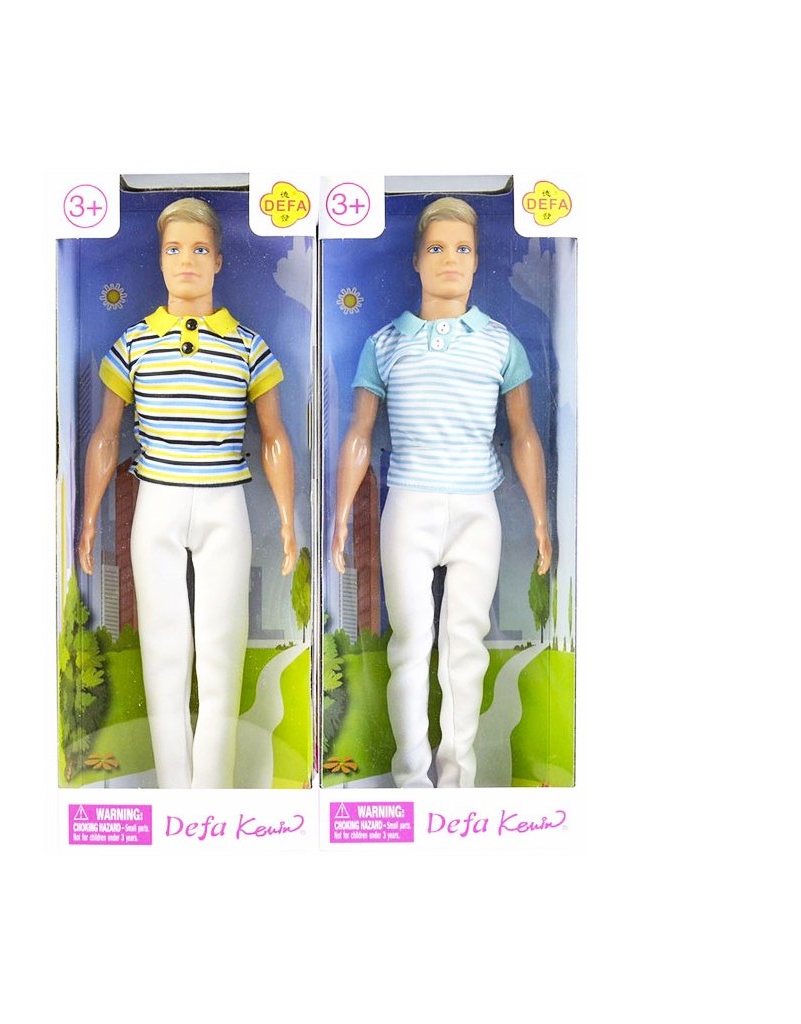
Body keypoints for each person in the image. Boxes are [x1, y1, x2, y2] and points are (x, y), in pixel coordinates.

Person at [331, 197, 551, 788]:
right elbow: (359, 432)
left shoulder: (501, 343)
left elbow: (525, 434)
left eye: (462, 248)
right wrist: (341, 514)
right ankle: (410, 781)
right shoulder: (385, 344)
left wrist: (539, 516)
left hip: (478, 508)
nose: (450, 259)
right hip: (409, 504)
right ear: (416, 260)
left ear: (477, 260)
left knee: (465, 644)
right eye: (436, 247)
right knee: (409, 643)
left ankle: (457, 783)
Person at [78, 197, 297, 789]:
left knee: (222, 652)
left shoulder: (248, 347)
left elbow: (274, 436)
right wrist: (89, 517)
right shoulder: (133, 344)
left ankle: (214, 794)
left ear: (219, 260)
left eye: (200, 249)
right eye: (174, 249)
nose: (187, 261)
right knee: (164, 652)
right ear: (160, 259)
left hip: (225, 504)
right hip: (158, 503)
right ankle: (176, 794)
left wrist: (286, 517)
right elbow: (106, 435)